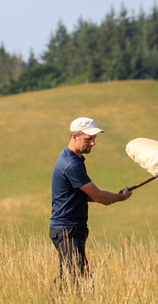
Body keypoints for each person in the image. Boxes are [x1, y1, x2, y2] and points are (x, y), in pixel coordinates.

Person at [49, 117, 131, 286]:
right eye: (88, 139)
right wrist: (120, 198)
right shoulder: (71, 164)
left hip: (70, 229)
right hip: (67, 231)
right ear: (74, 137)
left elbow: (83, 195)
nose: (93, 143)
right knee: (80, 281)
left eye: (94, 138)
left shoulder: (72, 158)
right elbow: (98, 196)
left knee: (69, 279)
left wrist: (110, 197)